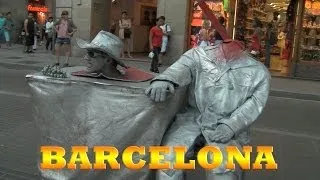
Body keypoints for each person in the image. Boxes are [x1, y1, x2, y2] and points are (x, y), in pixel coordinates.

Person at [145, 1, 271, 179]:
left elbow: (255, 104)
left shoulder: (259, 72)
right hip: (193, 120)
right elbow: (180, 67)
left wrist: (231, 126)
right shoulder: (198, 55)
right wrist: (165, 79)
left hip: (228, 128)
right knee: (168, 161)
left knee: (223, 169)